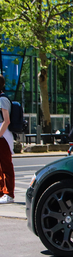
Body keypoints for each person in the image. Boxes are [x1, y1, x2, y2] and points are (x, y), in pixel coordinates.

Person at [0, 75, 15, 204]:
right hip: (1, 135)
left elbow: (7, 121)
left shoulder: (2, 100)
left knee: (6, 166)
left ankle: (9, 194)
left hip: (3, 136)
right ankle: (2, 192)